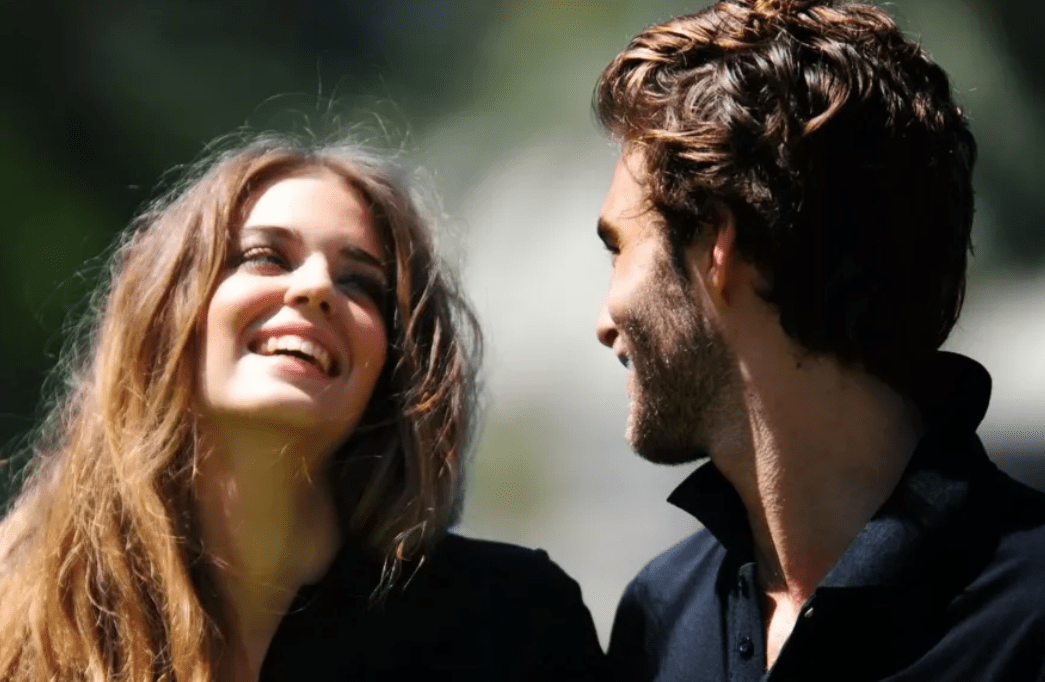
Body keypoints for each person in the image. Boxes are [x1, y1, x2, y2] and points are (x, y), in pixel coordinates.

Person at [0, 132, 605, 682]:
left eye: (360, 283)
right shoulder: (24, 619)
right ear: (165, 314)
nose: (316, 288)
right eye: (264, 256)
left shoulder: (510, 624)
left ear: (392, 368)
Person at [592, 0, 1045, 679]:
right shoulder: (659, 618)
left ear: (716, 245)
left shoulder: (1029, 616)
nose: (604, 321)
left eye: (619, 249)